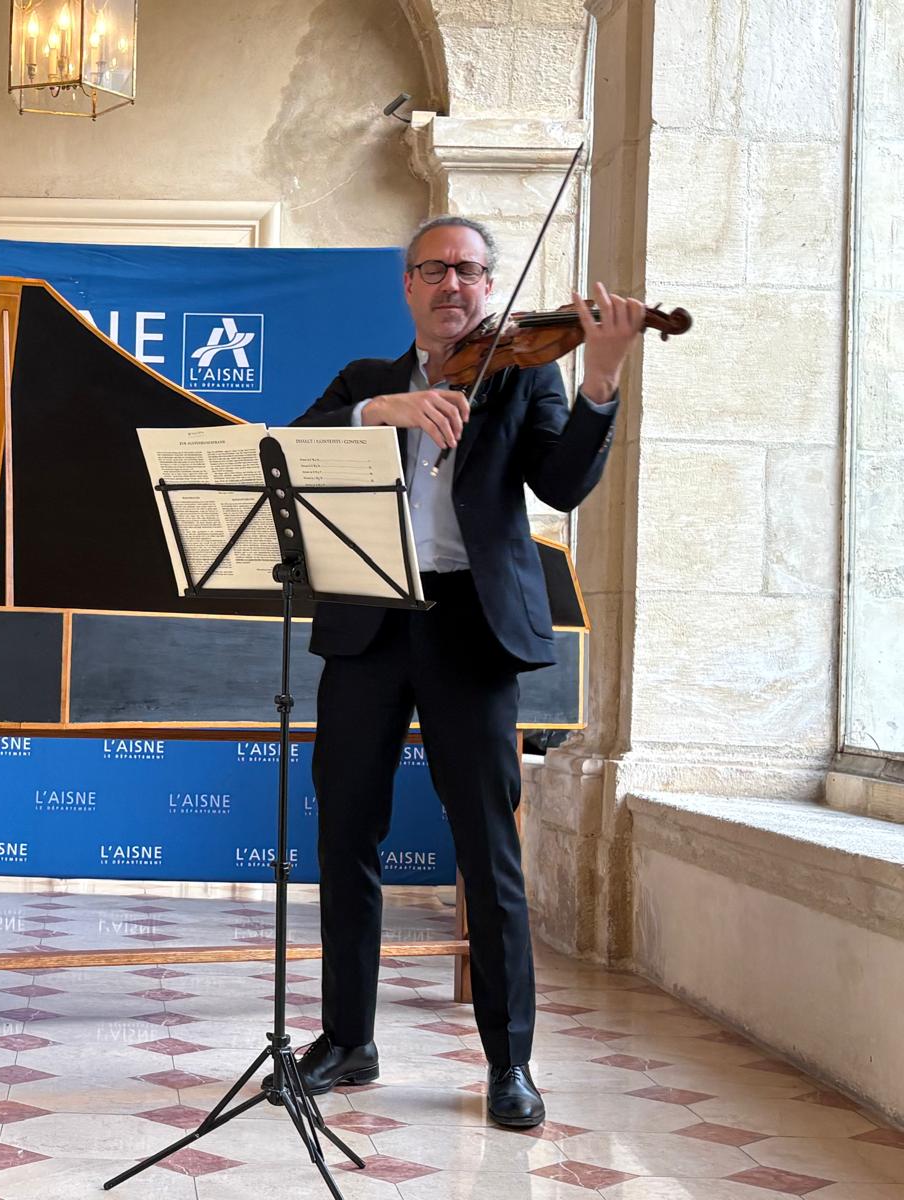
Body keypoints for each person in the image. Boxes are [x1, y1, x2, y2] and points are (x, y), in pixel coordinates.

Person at [281, 216, 646, 1127]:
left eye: (472, 271)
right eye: (435, 269)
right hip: (370, 624)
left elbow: (561, 484)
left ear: (491, 287)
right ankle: (348, 1039)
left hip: (470, 629)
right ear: (407, 284)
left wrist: (601, 377)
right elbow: (291, 444)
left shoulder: (526, 373)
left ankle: (509, 1064)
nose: (454, 284)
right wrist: (384, 413)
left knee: (487, 848)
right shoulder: (368, 380)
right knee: (346, 838)